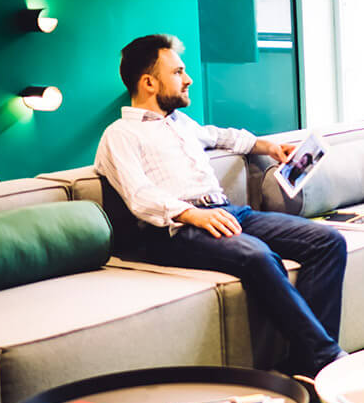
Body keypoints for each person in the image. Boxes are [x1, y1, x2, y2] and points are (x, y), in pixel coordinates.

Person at [94, 34, 347, 384]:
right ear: (149, 82)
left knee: (329, 242)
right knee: (258, 256)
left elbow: (223, 136)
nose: (188, 79)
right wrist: (191, 214)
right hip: (175, 230)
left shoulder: (181, 123)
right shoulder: (119, 135)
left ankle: (306, 366)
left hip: (225, 211)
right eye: (179, 72)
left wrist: (268, 146)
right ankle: (328, 359)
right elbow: (138, 194)